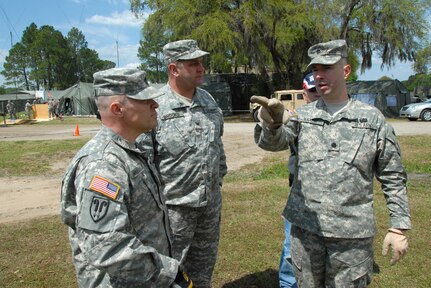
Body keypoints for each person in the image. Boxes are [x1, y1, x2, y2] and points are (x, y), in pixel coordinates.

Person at [253, 39, 411, 287]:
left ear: (345, 71)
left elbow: (393, 175)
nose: (319, 75)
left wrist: (399, 227)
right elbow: (272, 144)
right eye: (315, 69)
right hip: (306, 232)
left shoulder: (372, 119)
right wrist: (272, 123)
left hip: (352, 238)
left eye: (326, 68)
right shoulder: (303, 117)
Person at [60, 67, 193, 288]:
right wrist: (170, 272)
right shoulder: (104, 164)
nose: (156, 104)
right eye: (144, 100)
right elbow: (105, 246)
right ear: (117, 109)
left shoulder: (129, 151)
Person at [138, 39, 227, 287]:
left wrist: (216, 180)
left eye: (201, 62)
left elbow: (217, 148)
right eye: (193, 63)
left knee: (202, 271)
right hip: (172, 210)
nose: (201, 68)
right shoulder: (154, 105)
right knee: (168, 273)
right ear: (174, 69)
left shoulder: (209, 102)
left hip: (209, 206)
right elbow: (143, 162)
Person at [280, 72, 319, 288]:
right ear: (305, 94)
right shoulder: (295, 118)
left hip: (330, 198)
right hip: (300, 195)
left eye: (321, 90)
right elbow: (274, 139)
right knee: (291, 248)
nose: (318, 95)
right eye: (313, 92)